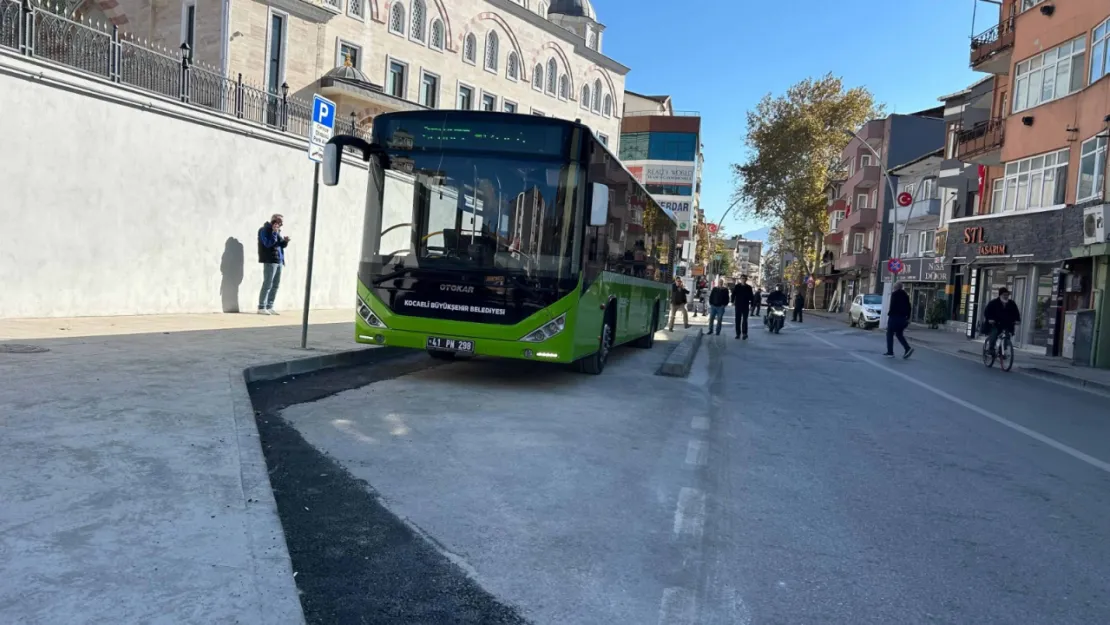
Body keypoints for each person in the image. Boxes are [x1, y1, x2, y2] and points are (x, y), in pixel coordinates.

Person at [257, 214, 290, 315]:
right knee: (268, 283)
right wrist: (274, 233)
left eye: (281, 222)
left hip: (278, 261)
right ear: (273, 220)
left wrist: (285, 241)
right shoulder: (264, 230)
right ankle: (261, 307)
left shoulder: (277, 231)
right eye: (279, 221)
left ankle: (269, 305)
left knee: (275, 285)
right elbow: (268, 244)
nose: (280, 224)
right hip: (270, 260)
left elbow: (280, 245)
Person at [983, 287, 1022, 355]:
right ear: (1000, 295)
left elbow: (1016, 313)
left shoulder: (1011, 303)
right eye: (1004, 295)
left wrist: (1017, 320)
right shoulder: (993, 303)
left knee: (1007, 336)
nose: (1006, 296)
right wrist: (990, 319)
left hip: (1006, 324)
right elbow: (987, 312)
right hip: (995, 324)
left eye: (1007, 295)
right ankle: (991, 349)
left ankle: (1002, 351)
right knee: (994, 333)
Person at [884, 282, 914, 359]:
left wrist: (890, 314)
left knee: (889, 333)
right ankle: (907, 348)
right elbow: (909, 307)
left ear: (896, 288)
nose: (893, 289)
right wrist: (908, 317)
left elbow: (893, 306)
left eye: (894, 287)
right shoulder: (906, 295)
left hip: (894, 317)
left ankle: (890, 352)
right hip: (903, 318)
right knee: (899, 334)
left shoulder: (895, 294)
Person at [730, 275, 754, 340]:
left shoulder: (749, 287)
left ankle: (744, 333)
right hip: (738, 305)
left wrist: (752, 305)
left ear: (746, 279)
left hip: (745, 305)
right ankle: (738, 334)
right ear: (740, 279)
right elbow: (733, 294)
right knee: (737, 320)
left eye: (744, 278)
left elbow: (752, 297)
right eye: (742, 278)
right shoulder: (737, 286)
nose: (743, 279)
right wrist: (732, 301)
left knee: (745, 320)